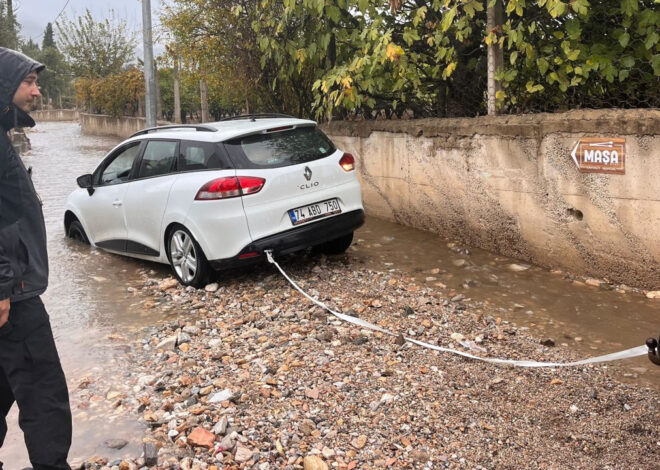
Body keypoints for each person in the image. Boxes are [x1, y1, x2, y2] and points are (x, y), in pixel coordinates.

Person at [0, 48, 72, 470]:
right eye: (29, 82)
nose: (37, 91)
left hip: (12, 288)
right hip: (16, 294)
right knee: (44, 393)